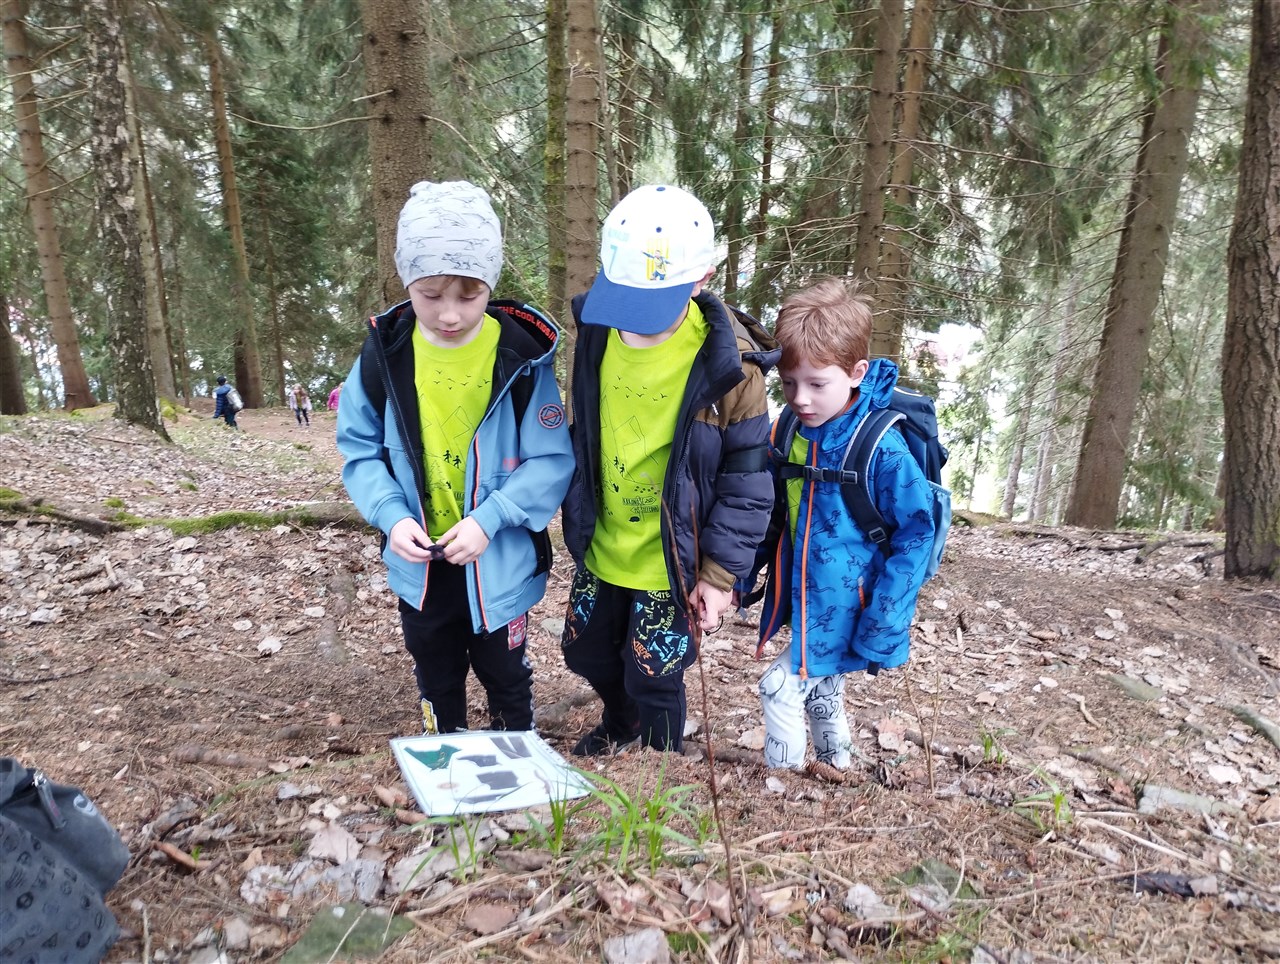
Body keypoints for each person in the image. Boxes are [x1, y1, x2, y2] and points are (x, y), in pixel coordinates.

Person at [336, 180, 573, 735]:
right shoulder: (384, 354)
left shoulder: (522, 359)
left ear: (491, 281)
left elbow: (551, 460)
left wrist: (490, 520)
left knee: (505, 673)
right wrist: (391, 516)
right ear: (406, 281)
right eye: (430, 294)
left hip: (497, 560)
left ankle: (516, 754)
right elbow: (359, 449)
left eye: (469, 296)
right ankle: (444, 756)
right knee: (435, 673)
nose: (448, 314)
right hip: (419, 561)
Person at [559, 184, 779, 756]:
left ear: (701, 278)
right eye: (624, 300)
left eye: (649, 307)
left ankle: (661, 764)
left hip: (673, 558)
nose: (633, 320)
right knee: (587, 652)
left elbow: (749, 485)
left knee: (654, 674)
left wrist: (720, 575)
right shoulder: (598, 332)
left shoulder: (731, 368)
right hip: (604, 541)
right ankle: (622, 723)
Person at [746, 278, 936, 777]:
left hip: (855, 603)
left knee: (778, 687)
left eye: (817, 384)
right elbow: (772, 514)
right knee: (822, 687)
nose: (800, 399)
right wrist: (741, 578)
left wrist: (886, 618)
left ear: (856, 373)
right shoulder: (789, 431)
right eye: (789, 383)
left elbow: (917, 535)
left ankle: (782, 783)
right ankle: (836, 765)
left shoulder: (881, 448)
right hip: (807, 597)